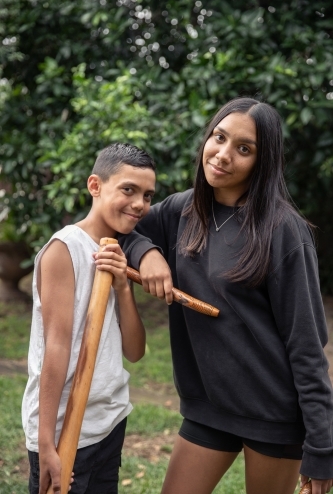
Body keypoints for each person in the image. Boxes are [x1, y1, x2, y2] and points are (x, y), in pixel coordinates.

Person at [120, 98, 333, 494]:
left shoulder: (284, 232)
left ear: (262, 162)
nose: (223, 155)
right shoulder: (183, 210)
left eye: (244, 148)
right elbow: (122, 226)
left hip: (273, 413)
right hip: (209, 407)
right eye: (219, 138)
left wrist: (321, 447)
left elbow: (306, 346)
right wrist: (146, 253)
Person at [22, 143, 156, 494]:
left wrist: (124, 287)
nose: (140, 203)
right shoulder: (64, 249)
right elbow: (57, 345)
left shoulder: (116, 251)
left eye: (147, 194)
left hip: (108, 421)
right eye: (128, 189)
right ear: (95, 186)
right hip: (65, 428)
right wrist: (47, 443)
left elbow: (136, 351)